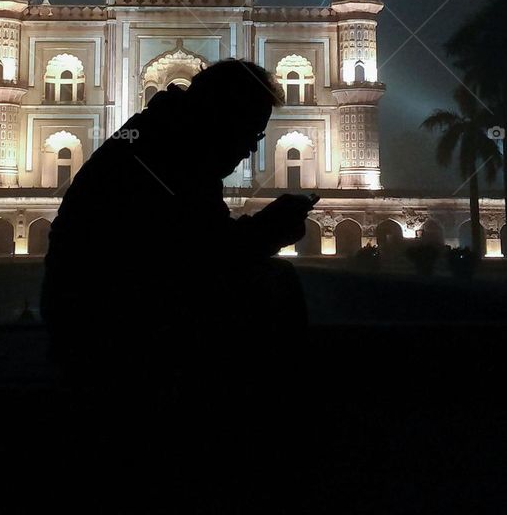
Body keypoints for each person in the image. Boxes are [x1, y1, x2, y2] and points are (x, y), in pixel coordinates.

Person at [41, 58, 314, 394]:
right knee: (275, 285)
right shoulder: (168, 153)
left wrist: (263, 229)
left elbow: (201, 243)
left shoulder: (162, 135)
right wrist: (269, 229)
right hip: (106, 330)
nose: (252, 148)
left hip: (92, 317)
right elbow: (203, 258)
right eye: (251, 132)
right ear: (224, 117)